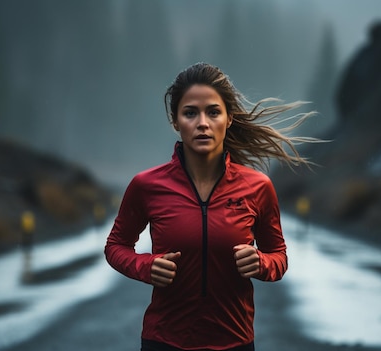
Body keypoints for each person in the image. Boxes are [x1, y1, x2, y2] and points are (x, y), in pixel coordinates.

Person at [105, 62, 316, 351]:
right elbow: (115, 246)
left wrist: (261, 263)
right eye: (190, 112)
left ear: (228, 119)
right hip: (164, 341)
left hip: (235, 342)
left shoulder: (258, 187)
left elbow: (279, 256)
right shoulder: (146, 186)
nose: (202, 123)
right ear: (175, 121)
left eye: (213, 112)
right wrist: (145, 265)